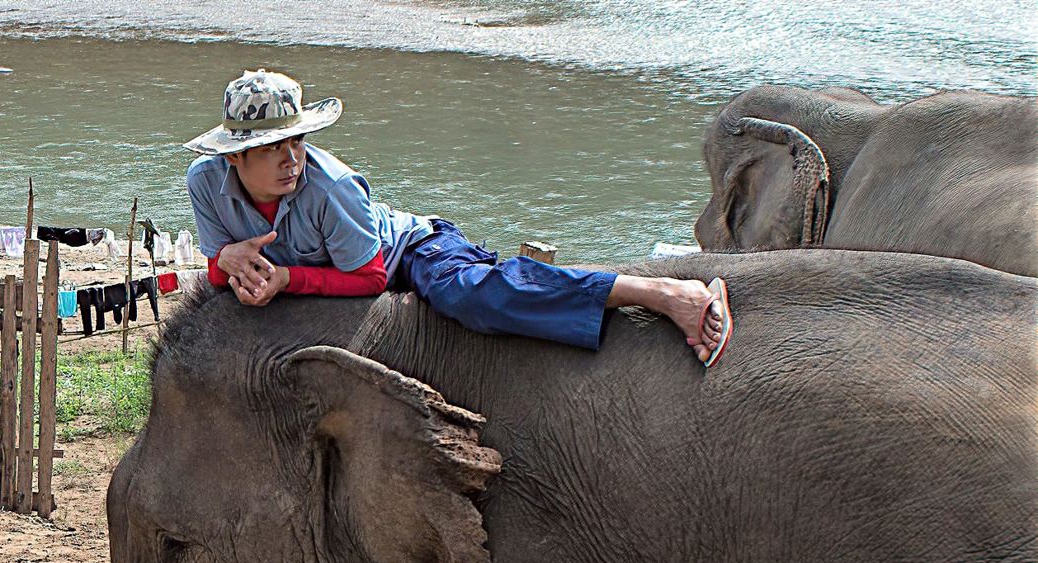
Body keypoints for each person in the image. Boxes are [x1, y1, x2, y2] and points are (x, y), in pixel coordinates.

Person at [184, 70, 733, 365]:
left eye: (298, 140)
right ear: (235, 157)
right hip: (332, 273)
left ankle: (663, 292)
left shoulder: (331, 187)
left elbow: (373, 277)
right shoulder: (206, 182)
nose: (292, 159)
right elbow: (216, 265)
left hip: (405, 252)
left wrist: (286, 278)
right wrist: (228, 262)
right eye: (274, 148)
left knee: (478, 295)